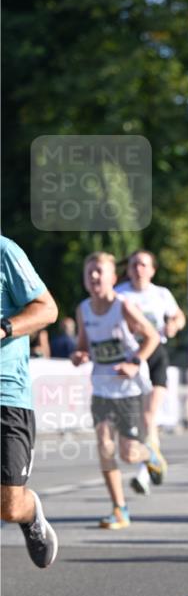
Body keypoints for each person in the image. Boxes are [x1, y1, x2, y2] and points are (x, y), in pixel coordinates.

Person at [71, 252, 166, 528]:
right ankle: (119, 509)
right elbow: (83, 344)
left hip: (129, 390)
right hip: (101, 387)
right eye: (89, 272)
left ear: (113, 278)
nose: (94, 277)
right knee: (104, 447)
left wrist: (135, 362)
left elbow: (151, 336)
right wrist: (80, 355)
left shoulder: (123, 305)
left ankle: (150, 455)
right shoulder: (83, 309)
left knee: (128, 454)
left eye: (100, 271)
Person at [0, 235, 59, 567]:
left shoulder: (5, 252)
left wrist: (4, 328)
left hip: (7, 394)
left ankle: (29, 512)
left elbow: (47, 309)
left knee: (8, 506)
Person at [116, 250, 186, 495]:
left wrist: (174, 324)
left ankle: (145, 473)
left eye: (143, 264)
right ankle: (153, 461)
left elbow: (179, 316)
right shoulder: (120, 294)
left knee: (148, 416)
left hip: (155, 355)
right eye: (134, 264)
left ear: (152, 270)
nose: (138, 269)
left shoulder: (161, 294)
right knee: (135, 421)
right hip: (130, 357)